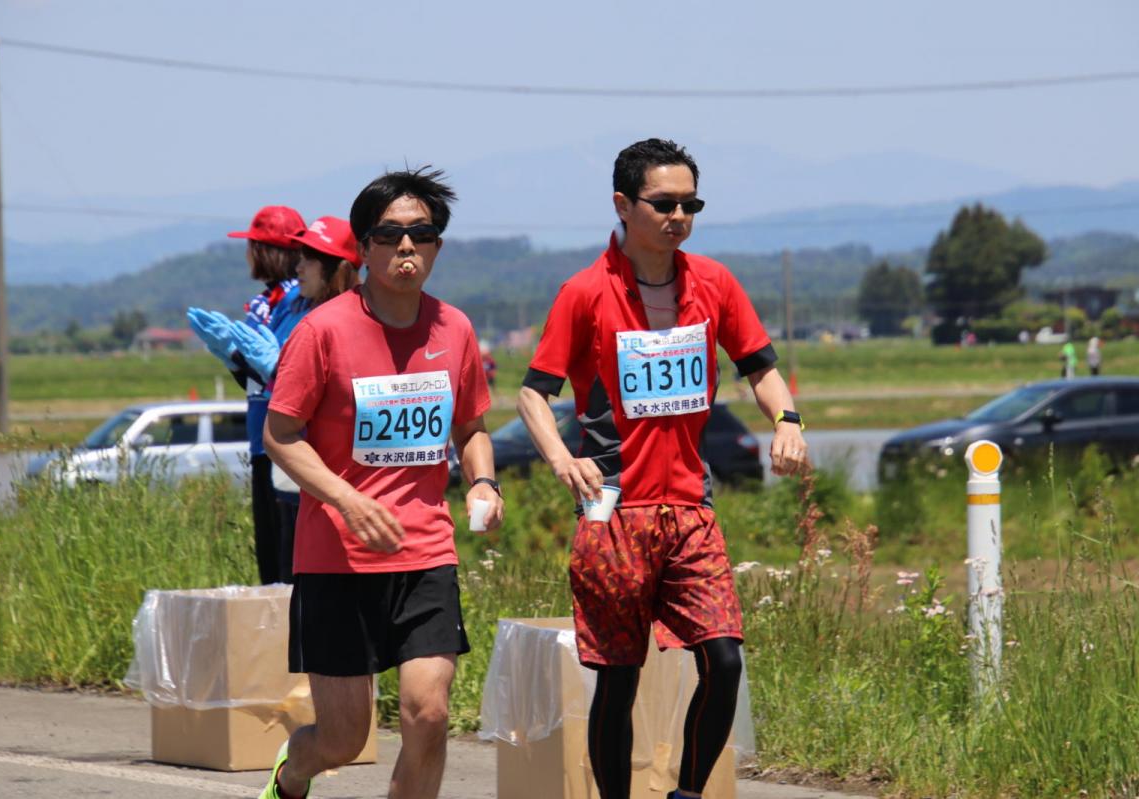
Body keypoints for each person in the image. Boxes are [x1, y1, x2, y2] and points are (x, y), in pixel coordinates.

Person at [517, 138, 808, 799]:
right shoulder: (586, 292)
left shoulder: (714, 283)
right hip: (610, 508)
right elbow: (534, 392)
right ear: (623, 205)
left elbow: (760, 366)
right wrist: (563, 459)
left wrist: (786, 421)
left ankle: (688, 794)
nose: (678, 216)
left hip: (689, 508)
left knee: (724, 657)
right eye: (664, 203)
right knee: (619, 680)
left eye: (690, 204)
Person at [260, 168, 503, 799]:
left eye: (421, 234)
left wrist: (484, 483)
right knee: (343, 740)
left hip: (424, 552)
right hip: (335, 559)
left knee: (430, 714)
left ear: (437, 247)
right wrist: (345, 498)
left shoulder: (455, 330)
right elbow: (280, 435)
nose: (406, 247)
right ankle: (291, 772)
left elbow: (472, 426)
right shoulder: (324, 331)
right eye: (390, 234)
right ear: (363, 248)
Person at [229, 216, 363, 583]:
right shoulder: (296, 307)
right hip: (294, 462)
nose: (298, 266)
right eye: (298, 256)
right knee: (287, 572)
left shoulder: (352, 318)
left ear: (336, 267)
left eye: (310, 258)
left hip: (333, 469)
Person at [188, 205, 305, 585]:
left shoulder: (294, 301)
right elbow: (257, 383)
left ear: (270, 251)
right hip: (261, 442)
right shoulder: (266, 302)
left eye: (253, 246)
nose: (247, 255)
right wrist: (235, 359)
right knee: (270, 561)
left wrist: (253, 361)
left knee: (285, 563)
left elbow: (287, 375)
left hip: (284, 441)